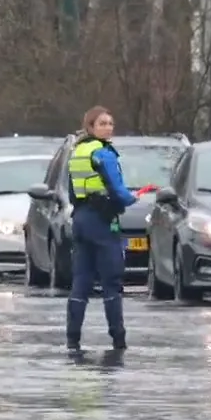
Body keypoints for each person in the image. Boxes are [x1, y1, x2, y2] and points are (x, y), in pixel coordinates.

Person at [65, 106, 140, 352]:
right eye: (102, 123)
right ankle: (118, 338)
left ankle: (72, 338)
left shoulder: (77, 151)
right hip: (102, 220)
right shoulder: (103, 153)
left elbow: (72, 191)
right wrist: (131, 199)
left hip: (81, 219)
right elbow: (118, 190)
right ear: (90, 127)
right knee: (112, 281)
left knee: (81, 281)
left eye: (110, 123)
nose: (108, 127)